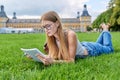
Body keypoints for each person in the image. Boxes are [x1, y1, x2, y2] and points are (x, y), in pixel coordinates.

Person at [35, 11, 114, 65]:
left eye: (48, 26)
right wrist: (37, 56)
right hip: (82, 45)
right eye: (44, 27)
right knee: (99, 44)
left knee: (109, 48)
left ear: (57, 23)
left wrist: (53, 62)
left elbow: (71, 61)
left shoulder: (70, 34)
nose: (46, 30)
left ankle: (105, 29)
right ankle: (104, 31)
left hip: (91, 50)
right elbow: (53, 56)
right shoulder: (51, 38)